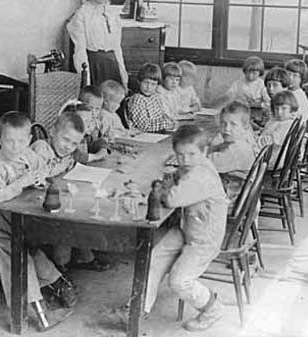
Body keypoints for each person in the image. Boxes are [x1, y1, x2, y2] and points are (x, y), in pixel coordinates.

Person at [113, 125, 228, 331]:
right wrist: (167, 182)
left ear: (204, 152)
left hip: (204, 239)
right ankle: (138, 310)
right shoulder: (190, 168)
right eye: (180, 155)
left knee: (180, 281)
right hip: (187, 228)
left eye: (192, 154)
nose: (185, 160)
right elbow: (172, 178)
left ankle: (213, 308)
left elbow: (173, 199)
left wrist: (163, 190)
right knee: (153, 258)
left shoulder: (201, 174)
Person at [0, 111, 76, 330]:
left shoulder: (27, 155)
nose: (15, 147)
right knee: (19, 256)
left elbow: (40, 168)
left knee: (34, 250)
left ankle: (58, 284)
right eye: (9, 141)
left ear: (29, 140)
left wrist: (39, 179)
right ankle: (38, 313)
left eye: (21, 141)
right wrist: (22, 182)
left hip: (19, 223)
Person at [30, 111, 111, 272]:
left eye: (74, 143)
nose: (68, 146)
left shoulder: (69, 153)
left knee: (81, 206)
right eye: (65, 139)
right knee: (68, 216)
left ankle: (82, 256)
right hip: (31, 202)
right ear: (52, 132)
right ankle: (60, 264)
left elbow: (75, 163)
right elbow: (33, 179)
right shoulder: (41, 148)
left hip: (51, 195)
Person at [67, 0, 128, 88]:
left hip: (112, 67)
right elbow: (80, 51)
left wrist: (123, 76)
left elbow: (117, 48)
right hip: (93, 67)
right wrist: (86, 80)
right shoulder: (82, 14)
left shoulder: (113, 14)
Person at [209, 102, 257, 198]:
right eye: (223, 123)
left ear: (245, 128)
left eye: (233, 125)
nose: (227, 129)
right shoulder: (242, 139)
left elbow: (208, 163)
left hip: (233, 197)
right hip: (239, 191)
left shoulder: (236, 149)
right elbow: (219, 148)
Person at [127, 63, 176, 133]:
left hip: (156, 131)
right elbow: (144, 126)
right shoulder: (137, 99)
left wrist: (170, 120)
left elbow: (162, 114)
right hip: (142, 134)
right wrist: (166, 123)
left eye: (153, 84)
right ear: (139, 81)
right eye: (146, 82)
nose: (148, 87)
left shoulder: (156, 97)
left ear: (157, 85)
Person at [258, 91, 298, 166]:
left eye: (284, 109)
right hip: (269, 154)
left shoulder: (288, 124)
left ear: (291, 109)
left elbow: (268, 142)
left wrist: (256, 140)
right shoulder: (274, 121)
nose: (279, 112)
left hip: (274, 160)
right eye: (276, 109)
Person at [284, 59, 308, 123]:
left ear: (302, 79)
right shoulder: (289, 92)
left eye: (295, 75)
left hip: (292, 130)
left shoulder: (297, 96)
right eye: (288, 74)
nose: (290, 78)